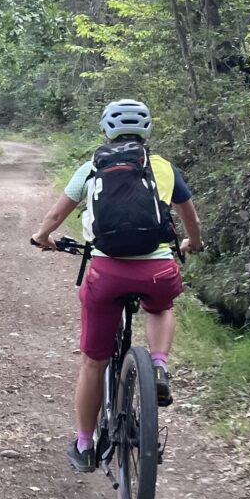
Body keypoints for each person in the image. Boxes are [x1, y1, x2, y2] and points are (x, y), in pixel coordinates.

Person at [32, 99, 202, 472]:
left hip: (106, 273)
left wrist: (44, 236)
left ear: (106, 130)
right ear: (147, 131)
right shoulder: (163, 169)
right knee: (160, 305)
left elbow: (57, 213)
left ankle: (84, 445)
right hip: (157, 271)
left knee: (93, 362)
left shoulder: (92, 166)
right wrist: (193, 244)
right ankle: (157, 365)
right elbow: (189, 217)